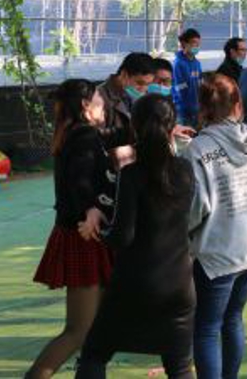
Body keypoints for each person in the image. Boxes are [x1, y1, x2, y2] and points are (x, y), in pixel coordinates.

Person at [75, 94, 196, 378]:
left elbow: (123, 237)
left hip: (134, 283)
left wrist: (97, 231)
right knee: (179, 367)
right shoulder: (185, 170)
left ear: (135, 128)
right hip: (178, 283)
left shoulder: (132, 174)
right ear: (173, 126)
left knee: (93, 354)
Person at [27, 79, 117, 379]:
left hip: (83, 234)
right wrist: (89, 209)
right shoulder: (84, 136)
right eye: (99, 101)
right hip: (84, 236)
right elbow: (79, 181)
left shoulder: (76, 134)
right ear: (85, 106)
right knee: (79, 330)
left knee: (96, 328)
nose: (103, 105)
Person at [184, 75, 247, 379]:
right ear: (238, 104)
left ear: (204, 107)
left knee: (207, 328)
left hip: (217, 251)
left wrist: (184, 235)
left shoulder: (198, 149)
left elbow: (196, 207)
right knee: (233, 318)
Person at [97, 52, 154, 151]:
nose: (144, 89)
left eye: (148, 84)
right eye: (139, 83)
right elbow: (97, 137)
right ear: (124, 74)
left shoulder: (145, 95)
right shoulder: (99, 97)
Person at [173, 28, 203, 127]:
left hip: (196, 109)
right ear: (184, 44)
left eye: (199, 43)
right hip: (182, 112)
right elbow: (180, 90)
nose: (197, 46)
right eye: (194, 43)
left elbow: (200, 84)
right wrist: (190, 108)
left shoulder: (197, 63)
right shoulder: (178, 64)